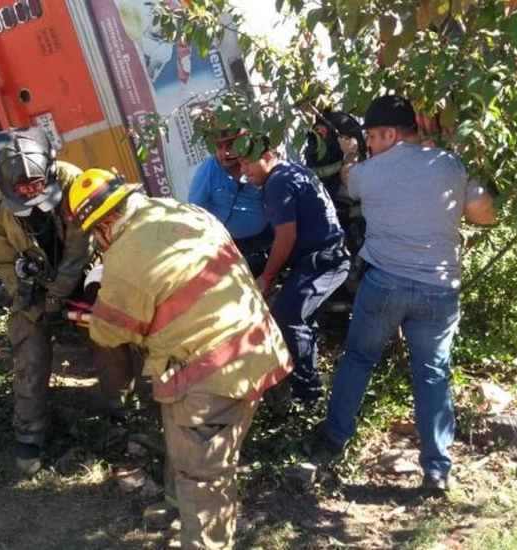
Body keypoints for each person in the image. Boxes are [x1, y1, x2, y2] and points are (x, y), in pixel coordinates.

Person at [65, 168, 292, 549]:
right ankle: (175, 504)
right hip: (254, 347)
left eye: (96, 234)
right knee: (184, 442)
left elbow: (111, 331)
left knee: (203, 476)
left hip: (210, 374)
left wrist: (91, 307)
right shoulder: (182, 212)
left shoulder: (125, 256)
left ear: (104, 223)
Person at [318, 95, 497, 492]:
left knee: (359, 359)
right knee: (433, 375)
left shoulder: (369, 172)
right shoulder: (449, 164)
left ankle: (333, 439)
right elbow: (485, 215)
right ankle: (436, 469)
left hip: (384, 285)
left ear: (390, 134)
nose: (369, 145)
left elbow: (349, 179)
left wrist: (349, 154)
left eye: (372, 137)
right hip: (439, 289)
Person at [0, 127, 136, 478]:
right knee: (29, 347)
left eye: (35, 185)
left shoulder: (75, 183)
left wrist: (58, 300)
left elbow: (78, 250)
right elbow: (5, 262)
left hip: (87, 274)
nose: (30, 193)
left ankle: (120, 410)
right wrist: (32, 301)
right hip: (34, 286)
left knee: (106, 331)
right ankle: (29, 435)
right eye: (22, 190)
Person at [237, 136, 351, 403]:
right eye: (240, 165)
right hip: (318, 257)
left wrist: (266, 277)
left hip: (324, 260)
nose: (243, 171)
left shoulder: (278, 182)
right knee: (299, 318)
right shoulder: (290, 171)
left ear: (266, 157)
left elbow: (286, 236)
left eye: (247, 164)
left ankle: (308, 394)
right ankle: (306, 388)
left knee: (288, 318)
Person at [188, 128, 272, 275]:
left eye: (230, 147)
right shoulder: (207, 172)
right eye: (219, 148)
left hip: (269, 237)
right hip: (235, 249)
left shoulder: (256, 162)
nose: (224, 153)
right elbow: (195, 214)